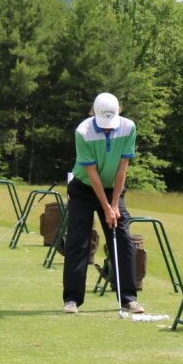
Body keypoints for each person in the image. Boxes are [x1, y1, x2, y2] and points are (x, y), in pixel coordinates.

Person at [62, 93, 142, 314]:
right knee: (78, 241)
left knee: (123, 239)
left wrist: (114, 205)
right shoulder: (83, 131)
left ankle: (128, 298)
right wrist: (106, 207)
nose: (108, 128)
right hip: (85, 188)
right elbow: (92, 172)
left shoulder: (128, 127)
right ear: (94, 114)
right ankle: (72, 300)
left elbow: (122, 168)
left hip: (113, 189)